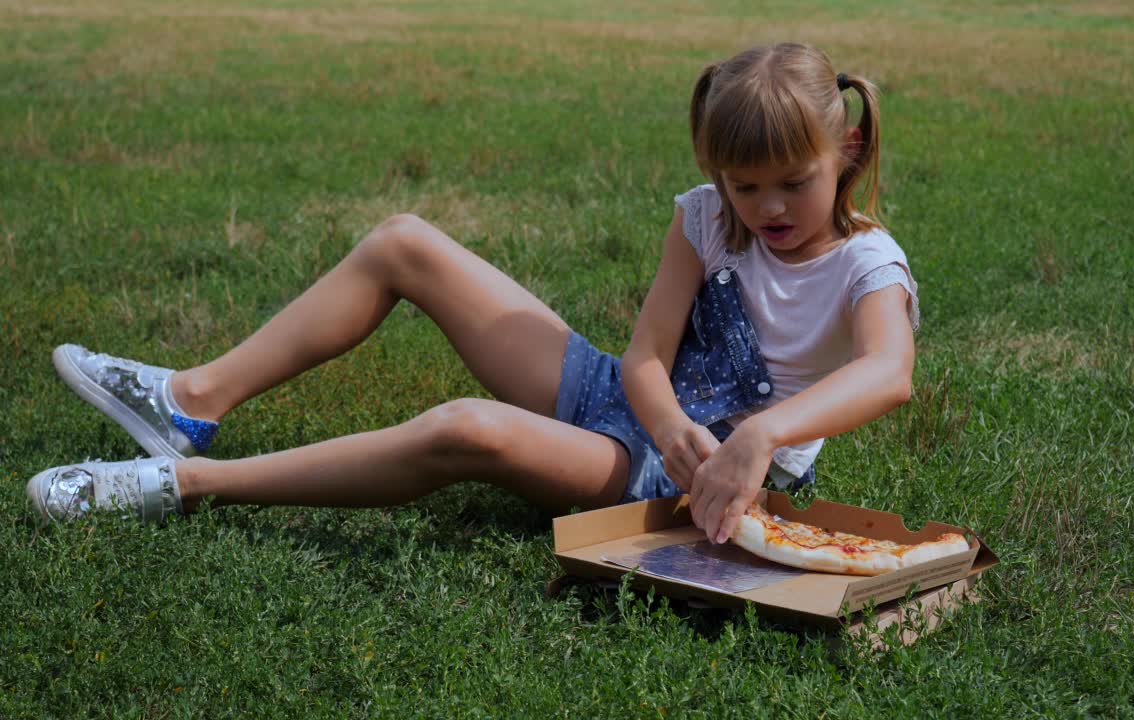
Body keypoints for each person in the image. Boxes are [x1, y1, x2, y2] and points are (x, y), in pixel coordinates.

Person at [27, 42, 918, 546]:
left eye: (791, 184)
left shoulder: (865, 265)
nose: (766, 209)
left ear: (843, 154)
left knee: (464, 428)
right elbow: (647, 356)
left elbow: (889, 372)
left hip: (696, 480)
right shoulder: (705, 216)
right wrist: (657, 413)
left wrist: (754, 436)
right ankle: (190, 403)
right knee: (404, 244)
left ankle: (178, 483)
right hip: (634, 413)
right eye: (742, 185)